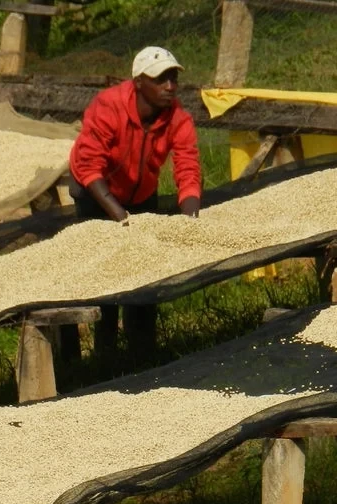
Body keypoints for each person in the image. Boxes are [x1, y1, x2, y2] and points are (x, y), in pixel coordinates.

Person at [68, 45, 203, 362]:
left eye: (173, 79)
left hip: (141, 196)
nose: (169, 87)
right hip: (95, 194)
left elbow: (187, 168)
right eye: (160, 80)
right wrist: (118, 215)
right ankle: (104, 352)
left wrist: (191, 221)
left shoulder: (178, 119)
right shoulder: (108, 106)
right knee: (104, 272)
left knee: (143, 276)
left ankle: (142, 355)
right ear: (139, 82)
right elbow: (88, 165)